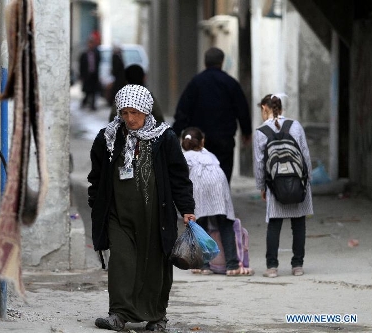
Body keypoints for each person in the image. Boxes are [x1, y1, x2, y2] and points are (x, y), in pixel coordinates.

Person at [88, 84, 196, 331]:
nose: (130, 118)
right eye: (124, 113)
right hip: (119, 216)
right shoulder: (108, 138)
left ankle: (157, 316)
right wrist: (97, 205)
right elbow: (97, 177)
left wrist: (187, 208)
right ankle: (118, 314)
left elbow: (179, 176)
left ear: (147, 111)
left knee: (156, 266)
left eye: (135, 113)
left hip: (156, 217)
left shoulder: (164, 138)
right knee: (121, 262)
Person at [253, 94, 313, 278]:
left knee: (274, 225)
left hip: (275, 185)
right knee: (299, 223)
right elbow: (305, 155)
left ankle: (272, 267)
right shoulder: (295, 126)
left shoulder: (261, 132)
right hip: (298, 182)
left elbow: (259, 163)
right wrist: (306, 180)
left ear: (265, 108)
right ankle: (297, 266)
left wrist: (262, 186)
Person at [172, 47, 252, 184]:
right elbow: (242, 109)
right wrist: (246, 132)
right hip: (224, 140)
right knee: (223, 177)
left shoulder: (195, 83)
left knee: (199, 176)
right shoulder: (231, 83)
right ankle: (221, 201)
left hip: (199, 141)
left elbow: (183, 110)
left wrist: (176, 132)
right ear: (221, 62)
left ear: (205, 62)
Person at [180, 127, 253, 276]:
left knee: (200, 225)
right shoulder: (209, 155)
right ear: (202, 141)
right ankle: (232, 265)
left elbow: (181, 180)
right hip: (218, 184)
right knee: (225, 224)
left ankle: (204, 265)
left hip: (199, 186)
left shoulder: (184, 157)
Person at [79, 37, 101, 111]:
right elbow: (81, 66)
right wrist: (82, 75)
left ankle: (93, 105)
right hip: (87, 75)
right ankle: (84, 102)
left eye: (92, 43)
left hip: (94, 75)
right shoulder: (84, 54)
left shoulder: (96, 53)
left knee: (94, 91)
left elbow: (99, 63)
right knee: (87, 91)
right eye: (89, 43)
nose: (91, 45)